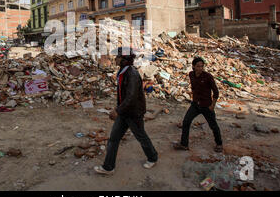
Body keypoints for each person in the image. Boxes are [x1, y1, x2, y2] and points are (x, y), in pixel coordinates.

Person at [94, 47, 158, 175]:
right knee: (113, 138)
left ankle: (153, 157)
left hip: (133, 113)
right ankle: (108, 167)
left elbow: (131, 97)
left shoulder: (131, 74)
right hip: (124, 112)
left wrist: (118, 110)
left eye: (117, 57)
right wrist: (119, 109)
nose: (115, 59)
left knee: (141, 136)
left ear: (124, 59)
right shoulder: (123, 72)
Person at [173, 57, 223, 152]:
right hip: (195, 105)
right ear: (193, 66)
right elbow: (193, 88)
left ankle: (219, 144)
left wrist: (212, 105)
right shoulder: (191, 74)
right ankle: (184, 144)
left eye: (202, 66)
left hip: (206, 105)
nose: (200, 68)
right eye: (198, 66)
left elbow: (216, 92)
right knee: (186, 122)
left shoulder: (208, 76)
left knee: (213, 125)